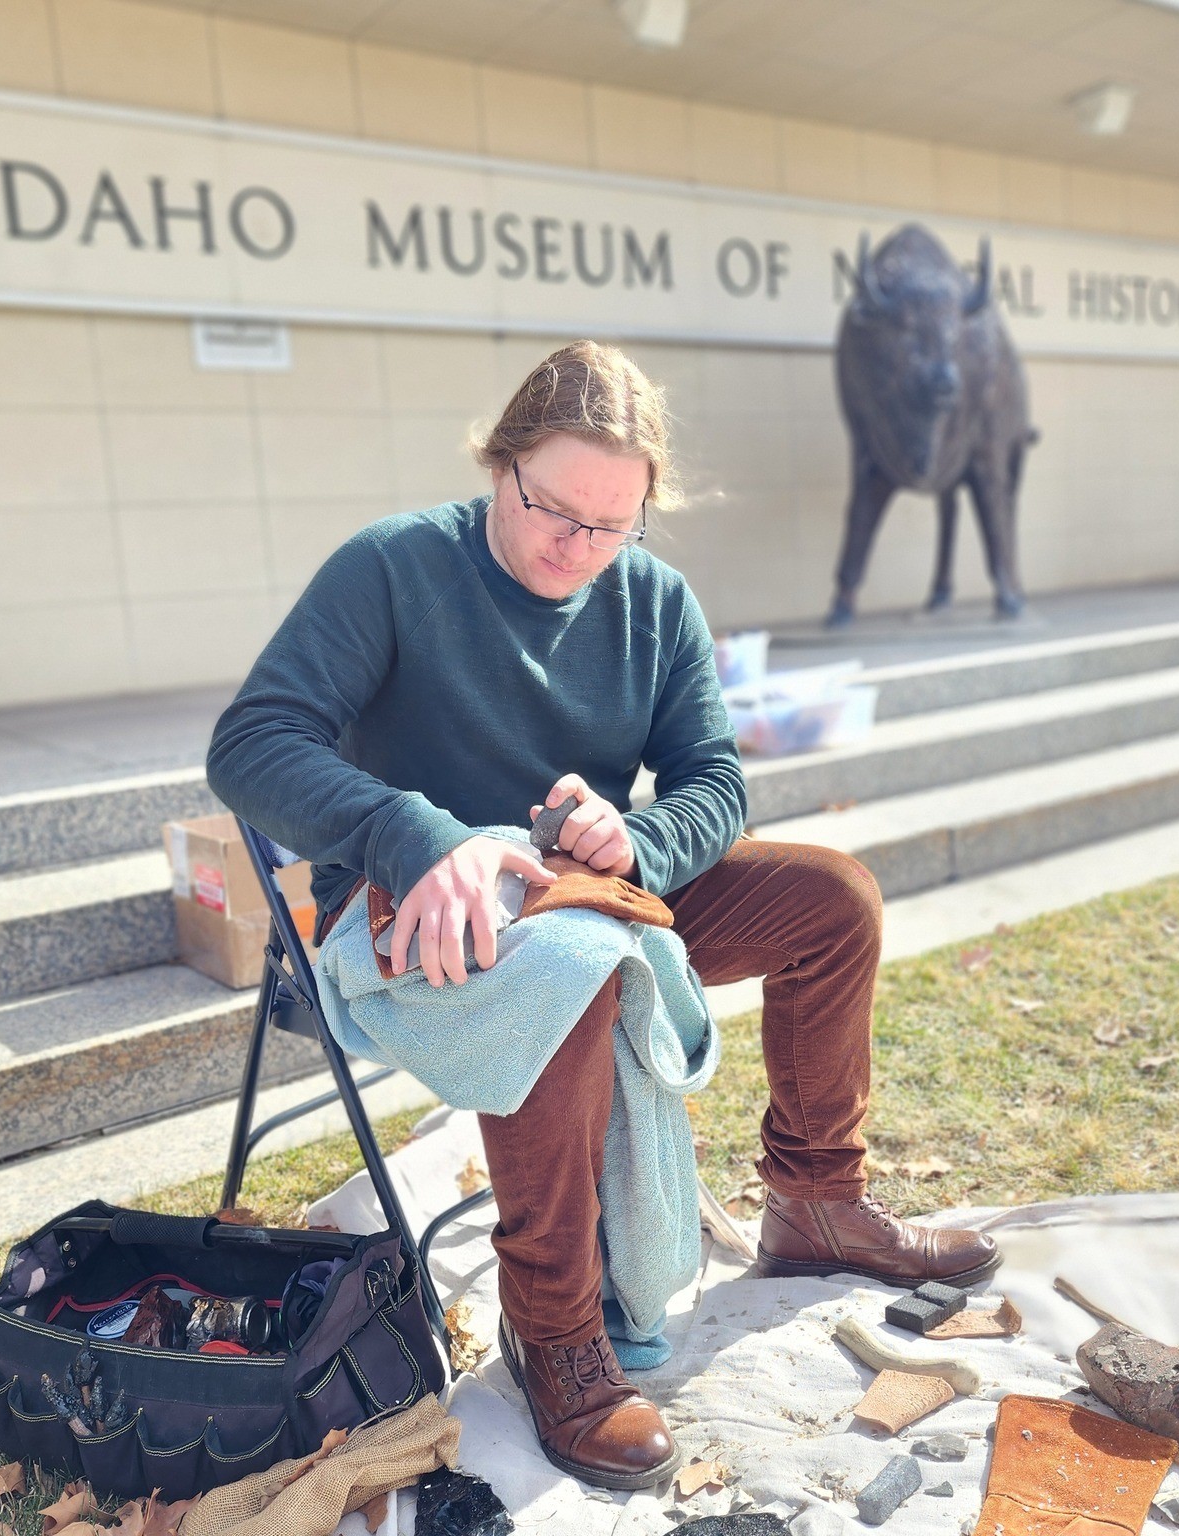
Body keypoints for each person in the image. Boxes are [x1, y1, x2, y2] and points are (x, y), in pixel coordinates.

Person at [205, 339, 999, 1491]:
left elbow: (714, 783)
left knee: (833, 900)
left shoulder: (652, 600)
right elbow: (250, 744)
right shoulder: (392, 568)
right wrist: (420, 833)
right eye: (553, 509)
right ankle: (557, 1329)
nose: (577, 547)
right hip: (408, 910)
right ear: (501, 464)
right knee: (568, 965)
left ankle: (817, 1204)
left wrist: (642, 838)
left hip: (593, 890)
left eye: (613, 524)